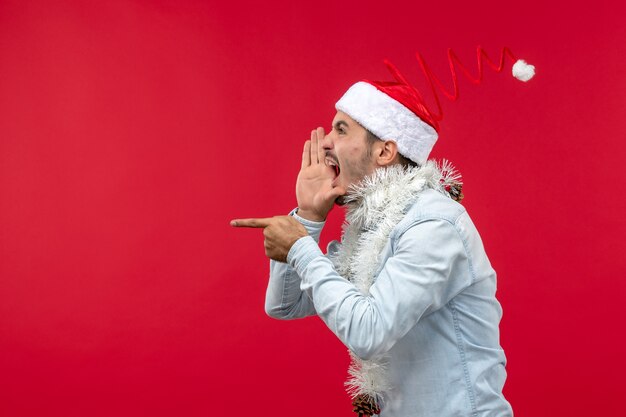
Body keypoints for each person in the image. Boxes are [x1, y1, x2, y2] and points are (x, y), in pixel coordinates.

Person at [231, 65, 516, 416]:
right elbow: (284, 305)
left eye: (341, 129)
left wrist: (300, 247)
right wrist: (308, 216)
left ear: (384, 152)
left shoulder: (432, 224)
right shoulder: (369, 229)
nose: (324, 142)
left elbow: (369, 332)